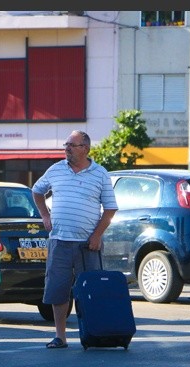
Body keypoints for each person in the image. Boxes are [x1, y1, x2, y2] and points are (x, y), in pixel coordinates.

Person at [31, 130, 118, 349]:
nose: (67, 148)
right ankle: (60, 336)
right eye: (66, 145)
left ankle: (92, 334)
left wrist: (97, 235)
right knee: (57, 290)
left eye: (72, 145)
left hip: (87, 244)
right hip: (59, 241)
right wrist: (45, 215)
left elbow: (110, 209)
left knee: (90, 291)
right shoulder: (56, 169)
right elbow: (37, 191)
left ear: (85, 148)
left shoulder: (100, 173)